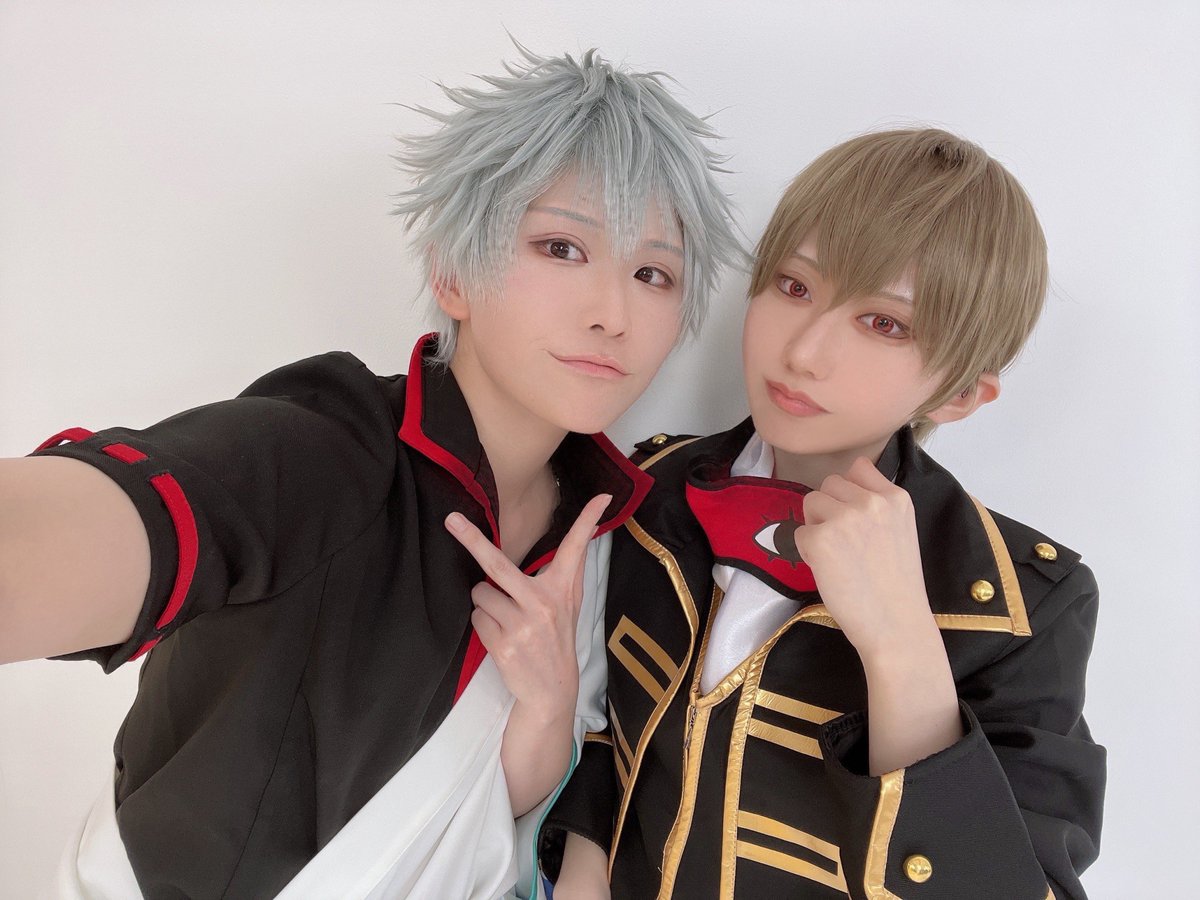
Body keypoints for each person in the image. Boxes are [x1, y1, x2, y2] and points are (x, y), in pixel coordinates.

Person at [0, 46, 741, 899]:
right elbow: (125, 518)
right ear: (453, 273)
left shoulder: (613, 529)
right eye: (561, 247)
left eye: (652, 273)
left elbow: (491, 816)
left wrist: (546, 711)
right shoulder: (328, 450)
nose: (613, 313)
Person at [543, 129, 1106, 899]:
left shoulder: (1020, 605)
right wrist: (583, 868)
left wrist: (903, 649)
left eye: (884, 323)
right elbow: (605, 727)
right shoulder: (651, 490)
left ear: (960, 393)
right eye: (794, 286)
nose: (803, 352)